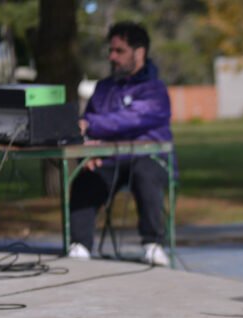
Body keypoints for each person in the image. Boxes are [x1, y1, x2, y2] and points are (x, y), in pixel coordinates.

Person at [68, 21, 174, 266]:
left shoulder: (155, 90)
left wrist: (90, 125)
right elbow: (87, 124)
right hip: (110, 159)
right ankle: (80, 245)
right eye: (111, 50)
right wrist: (88, 150)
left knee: (145, 173)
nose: (112, 57)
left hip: (149, 159)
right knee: (86, 177)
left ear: (139, 52)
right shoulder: (103, 88)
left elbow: (130, 120)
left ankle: (153, 244)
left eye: (119, 51)